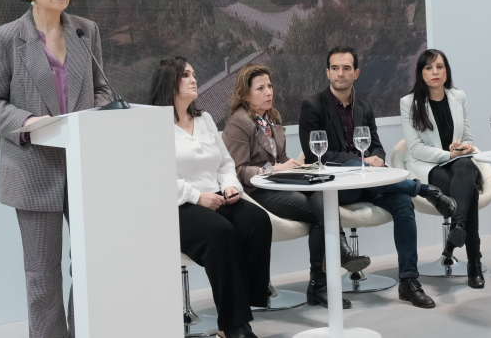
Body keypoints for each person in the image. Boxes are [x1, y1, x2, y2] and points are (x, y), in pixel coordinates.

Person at [0, 0, 113, 338]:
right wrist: (28, 121)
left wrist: (94, 116)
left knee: (89, 266)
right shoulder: (6, 38)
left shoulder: (86, 30)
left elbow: (102, 90)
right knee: (43, 278)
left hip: (84, 167)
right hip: (34, 169)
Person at [299, 46, 457, 309]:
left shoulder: (363, 106)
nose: (340, 73)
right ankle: (425, 190)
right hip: (338, 187)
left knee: (403, 204)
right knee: (352, 161)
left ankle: (409, 281)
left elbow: (377, 146)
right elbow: (316, 155)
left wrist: (375, 159)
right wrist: (362, 162)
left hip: (371, 183)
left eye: (346, 68)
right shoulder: (313, 106)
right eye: (335, 68)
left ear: (356, 73)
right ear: (327, 72)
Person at [222, 64, 371, 310]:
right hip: (257, 192)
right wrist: (275, 169)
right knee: (319, 215)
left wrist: (291, 167)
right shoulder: (239, 122)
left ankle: (323, 279)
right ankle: (322, 282)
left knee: (323, 195)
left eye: (269, 86)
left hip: (280, 185)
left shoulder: (272, 117)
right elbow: (237, 171)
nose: (268, 92)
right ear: (245, 94)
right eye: (260, 88)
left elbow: (278, 158)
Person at [148, 57, 271, 338]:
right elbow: (156, 176)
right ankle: (234, 324)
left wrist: (229, 186)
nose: (194, 79)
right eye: (186, 75)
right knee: (221, 233)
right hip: (179, 205)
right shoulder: (153, 125)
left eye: (194, 73)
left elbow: (225, 163)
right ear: (169, 81)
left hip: (216, 196)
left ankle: (245, 305)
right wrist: (196, 196)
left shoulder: (203, 119)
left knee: (257, 221)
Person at [400, 49, 485, 289]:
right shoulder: (409, 103)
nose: (435, 72)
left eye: (440, 67)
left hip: (459, 163)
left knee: (466, 166)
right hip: (430, 165)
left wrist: (464, 146)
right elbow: (415, 148)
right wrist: (449, 154)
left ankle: (457, 230)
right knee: (468, 193)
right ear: (421, 73)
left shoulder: (458, 97)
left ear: (447, 71)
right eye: (429, 68)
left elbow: (467, 136)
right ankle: (474, 264)